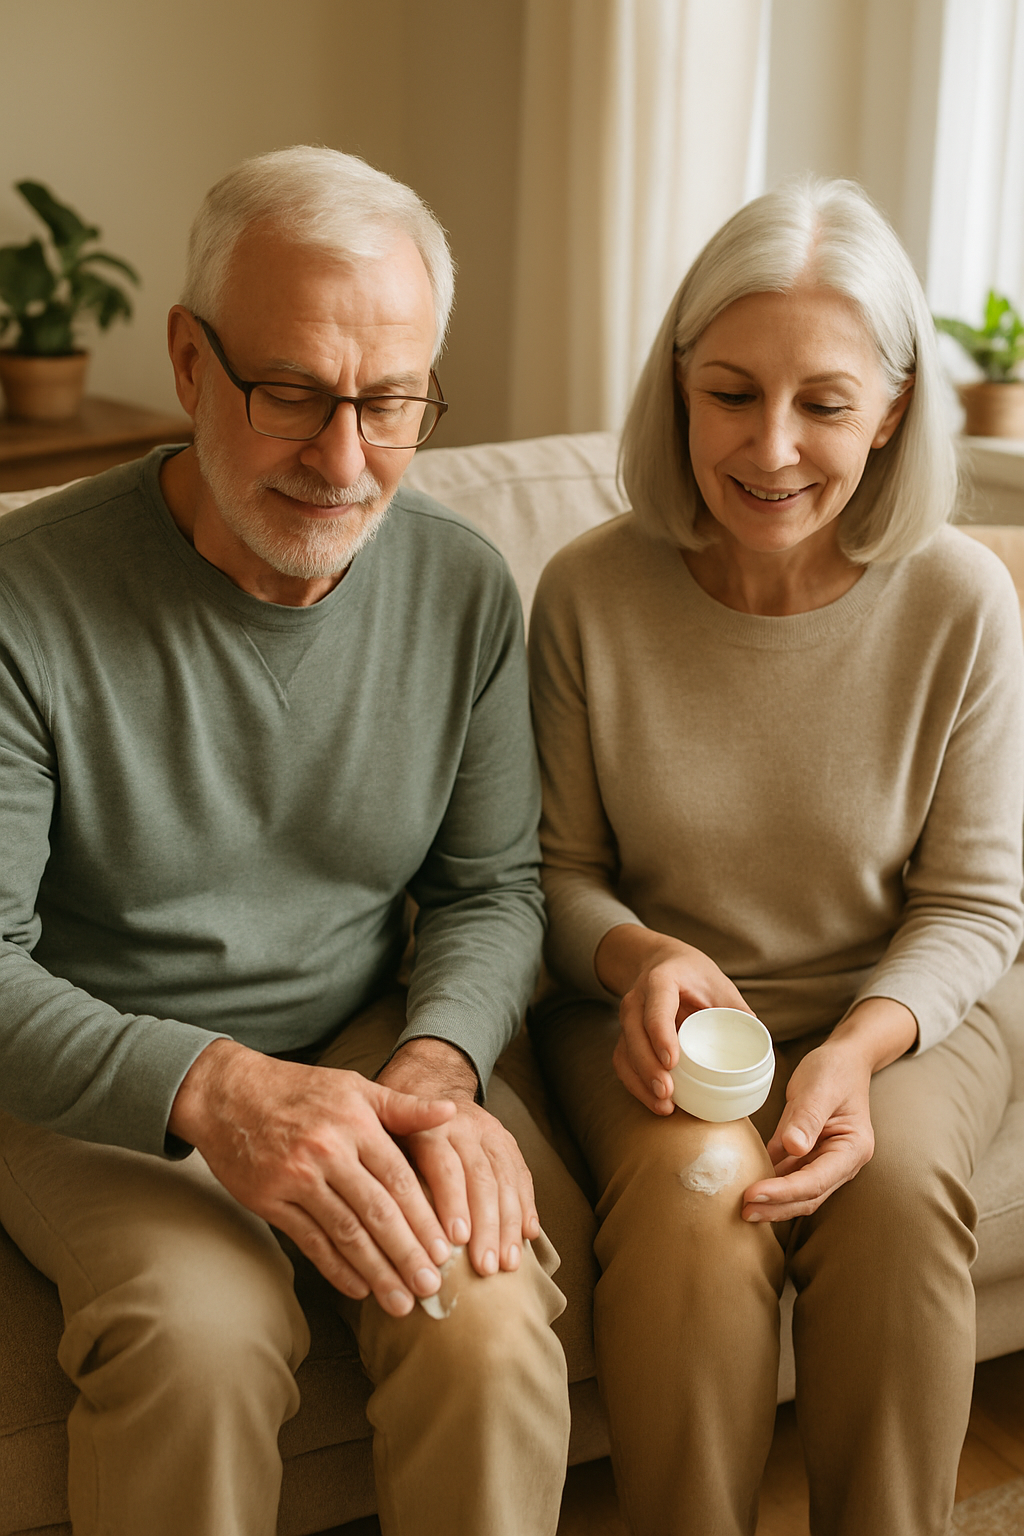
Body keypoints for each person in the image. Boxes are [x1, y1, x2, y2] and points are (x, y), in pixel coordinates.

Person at [0, 146, 576, 1536]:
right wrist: (217, 1090)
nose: (344, 459)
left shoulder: (462, 588)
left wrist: (438, 1066)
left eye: (390, 402)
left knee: (485, 1319)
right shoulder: (25, 603)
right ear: (189, 363)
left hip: (365, 1045)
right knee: (199, 1341)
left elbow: (492, 890)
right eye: (294, 394)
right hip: (101, 1073)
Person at [528, 175, 1024, 1536]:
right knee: (705, 1197)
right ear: (678, 386)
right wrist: (639, 956)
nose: (773, 446)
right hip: (650, 1016)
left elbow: (977, 904)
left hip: (903, 1005)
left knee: (895, 1191)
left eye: (826, 403)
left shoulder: (961, 602)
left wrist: (859, 1049)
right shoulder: (587, 593)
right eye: (732, 394)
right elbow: (554, 876)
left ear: (895, 410)